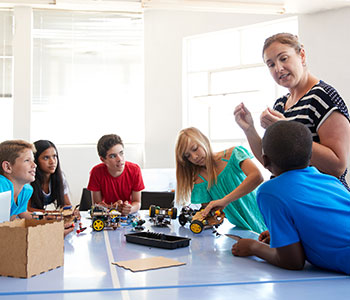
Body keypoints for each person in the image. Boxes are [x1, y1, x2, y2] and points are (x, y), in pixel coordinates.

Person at [234, 33, 350, 190]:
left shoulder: (323, 97)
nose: (279, 68)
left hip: (323, 199)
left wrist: (289, 130)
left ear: (301, 55)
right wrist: (249, 129)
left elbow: (337, 166)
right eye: (271, 64)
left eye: (283, 58)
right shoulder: (281, 105)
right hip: (293, 199)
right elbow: (273, 163)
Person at [232, 121, 350, 274]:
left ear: (265, 160)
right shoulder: (331, 180)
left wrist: (253, 247)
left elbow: (292, 261)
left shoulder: (269, 191)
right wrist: (284, 234)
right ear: (310, 156)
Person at [175, 127, 267, 233]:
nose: (194, 157)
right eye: (188, 156)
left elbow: (257, 176)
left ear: (203, 140)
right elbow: (210, 213)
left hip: (264, 215)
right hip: (242, 230)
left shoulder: (233, 154)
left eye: (195, 148)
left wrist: (225, 200)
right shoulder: (199, 180)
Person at [87, 134, 144, 215]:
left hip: (128, 214)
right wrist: (112, 207)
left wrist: (130, 209)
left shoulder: (135, 170)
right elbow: (97, 205)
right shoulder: (96, 172)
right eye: (113, 156)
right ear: (103, 159)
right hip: (107, 215)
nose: (120, 159)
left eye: (121, 153)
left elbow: (137, 202)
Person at [28, 140, 72, 211]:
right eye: (46, 158)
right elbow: (26, 209)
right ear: (35, 160)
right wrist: (51, 214)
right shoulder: (28, 179)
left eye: (54, 156)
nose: (52, 162)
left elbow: (67, 205)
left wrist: (71, 211)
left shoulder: (60, 177)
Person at [0, 140, 36, 220]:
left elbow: (8, 223)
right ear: (7, 167)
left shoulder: (26, 190)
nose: (34, 165)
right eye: (27, 160)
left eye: (33, 161)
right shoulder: (1, 185)